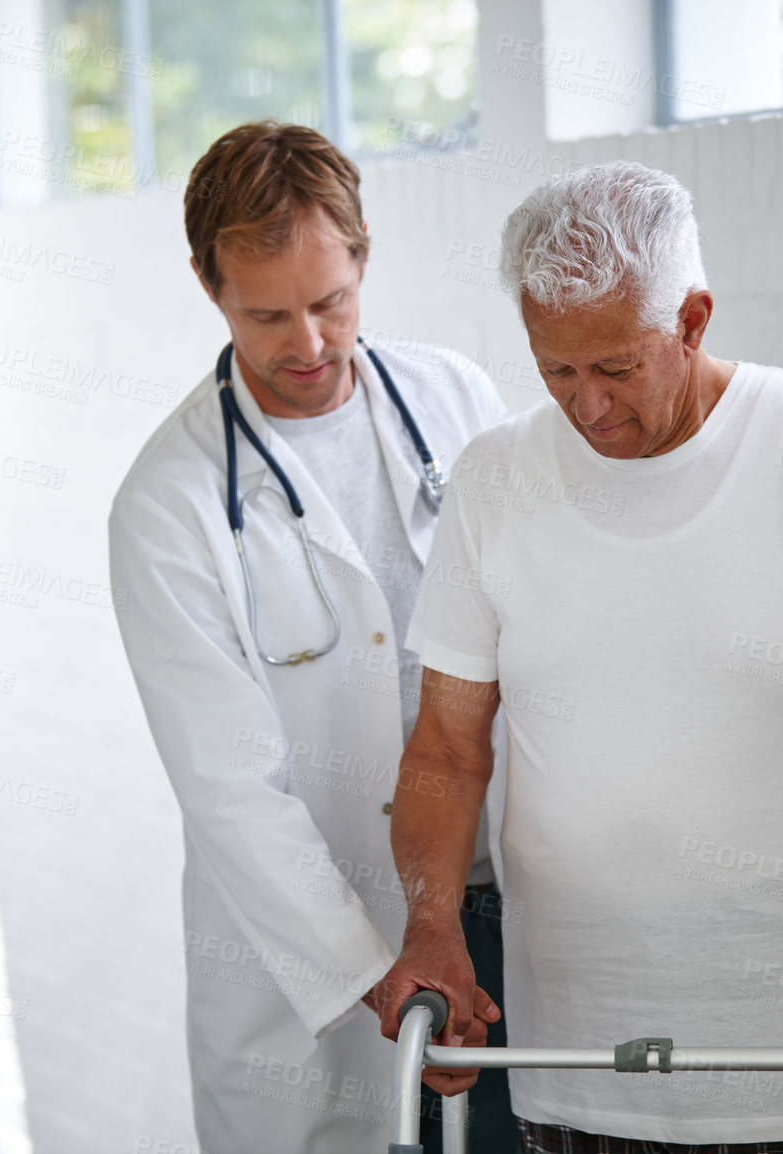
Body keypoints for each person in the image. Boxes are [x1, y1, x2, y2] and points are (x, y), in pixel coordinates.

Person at [375, 161, 783, 1152]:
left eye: (613, 368)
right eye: (555, 370)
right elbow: (446, 746)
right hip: (568, 1066)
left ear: (691, 318)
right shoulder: (495, 477)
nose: (586, 407)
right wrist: (434, 925)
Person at [107, 121, 520, 1153]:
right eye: (267, 314)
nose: (309, 344)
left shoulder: (455, 399)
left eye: (331, 302)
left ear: (364, 255)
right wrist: (375, 967)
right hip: (321, 951)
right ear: (209, 285)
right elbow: (231, 790)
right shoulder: (170, 505)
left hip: (497, 905)